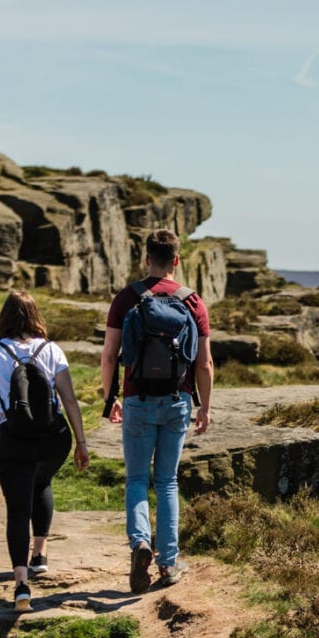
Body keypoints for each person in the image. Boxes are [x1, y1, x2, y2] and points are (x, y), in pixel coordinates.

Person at [101, 229, 213, 594]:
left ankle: (140, 544)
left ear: (146, 258)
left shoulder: (126, 298)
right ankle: (167, 564)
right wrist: (204, 408)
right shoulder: (192, 302)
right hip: (177, 401)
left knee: (136, 480)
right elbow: (205, 364)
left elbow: (109, 355)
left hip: (137, 399)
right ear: (176, 261)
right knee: (167, 482)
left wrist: (110, 398)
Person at [0, 291, 90, 611]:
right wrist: (81, 442)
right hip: (53, 438)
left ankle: (21, 586)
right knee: (42, 483)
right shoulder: (52, 350)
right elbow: (70, 399)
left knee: (18, 507)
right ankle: (40, 555)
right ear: (36, 317)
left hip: (14, 439)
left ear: (4, 318)